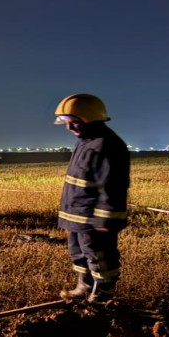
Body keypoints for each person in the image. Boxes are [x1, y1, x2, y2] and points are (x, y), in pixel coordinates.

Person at [54, 94, 130, 303]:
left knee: (99, 254)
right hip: (78, 214)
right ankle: (84, 287)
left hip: (93, 218)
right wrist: (69, 217)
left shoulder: (107, 145)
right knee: (78, 251)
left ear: (91, 118)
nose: (69, 128)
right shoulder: (85, 142)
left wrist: (105, 220)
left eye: (74, 122)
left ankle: (103, 293)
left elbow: (113, 186)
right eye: (67, 122)